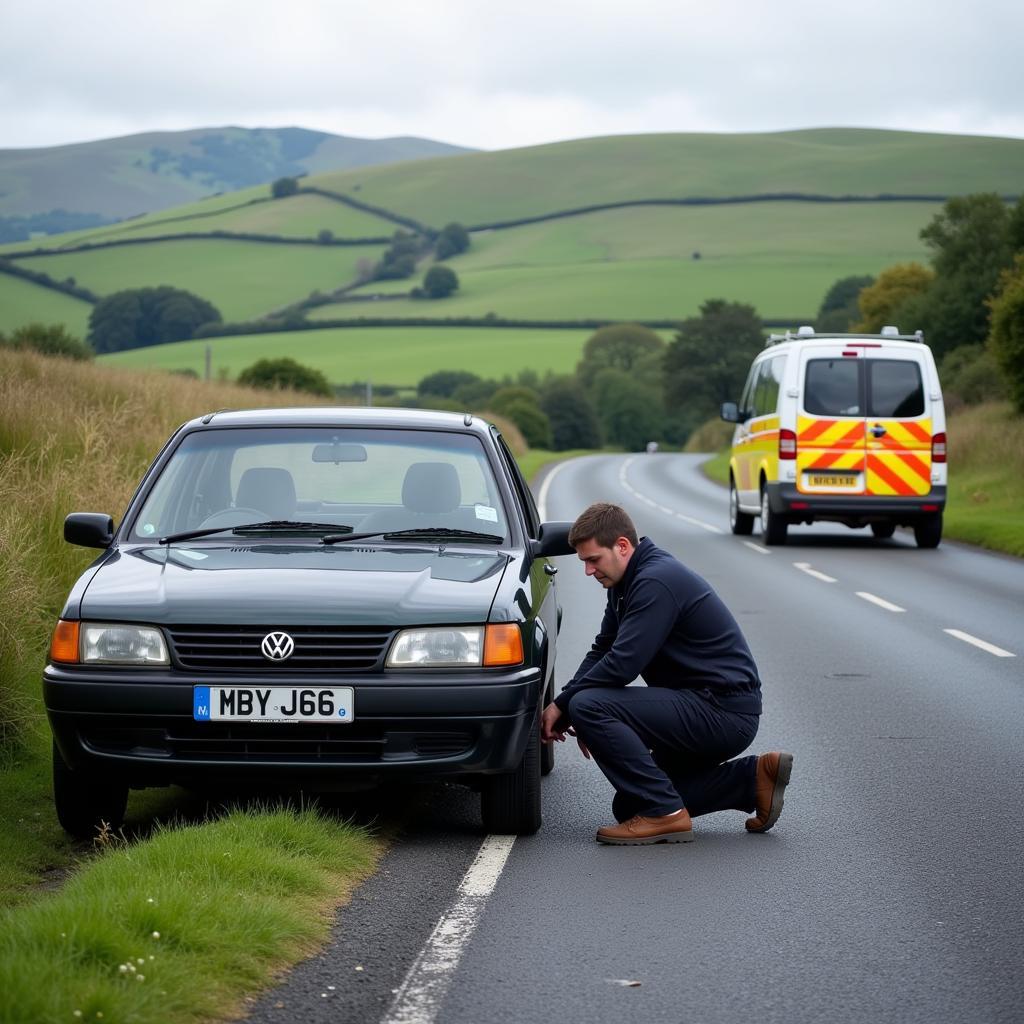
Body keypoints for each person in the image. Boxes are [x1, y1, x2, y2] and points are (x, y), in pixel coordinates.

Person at [540, 502, 792, 845]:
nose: (587, 570)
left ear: (623, 546)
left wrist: (568, 705)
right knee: (629, 804)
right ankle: (752, 779)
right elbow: (603, 649)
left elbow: (623, 665)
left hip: (722, 711)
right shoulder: (626, 583)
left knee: (589, 705)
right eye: (584, 561)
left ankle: (665, 814)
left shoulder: (656, 581)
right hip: (702, 706)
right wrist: (568, 703)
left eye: (593, 559)